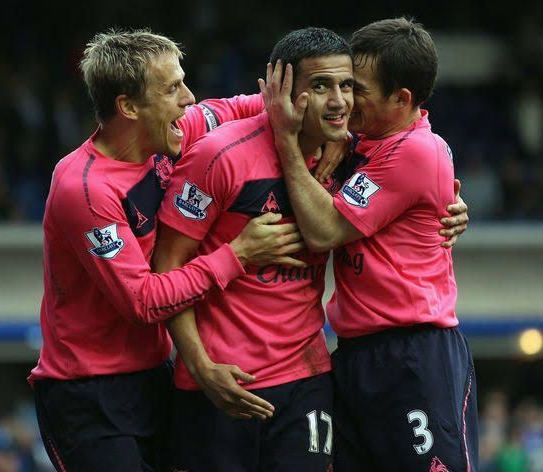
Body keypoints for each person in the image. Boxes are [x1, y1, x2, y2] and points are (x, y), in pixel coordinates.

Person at [28, 29, 305, 472]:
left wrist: (327, 119)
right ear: (129, 107)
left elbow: (247, 107)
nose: (189, 99)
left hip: (154, 375)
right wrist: (239, 254)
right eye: (173, 88)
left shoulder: (174, 133)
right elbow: (142, 301)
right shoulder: (84, 189)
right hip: (87, 394)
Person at [263, 17, 479, 471]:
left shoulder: (416, 151)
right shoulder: (366, 139)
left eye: (357, 88)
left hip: (415, 356)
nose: (344, 99)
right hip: (358, 353)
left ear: (401, 99)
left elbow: (324, 231)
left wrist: (286, 143)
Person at [156, 27, 354, 471]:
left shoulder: (350, 152)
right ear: (282, 89)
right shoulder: (220, 155)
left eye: (346, 86)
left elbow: (416, 147)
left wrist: (451, 203)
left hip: (305, 380)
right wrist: (202, 368)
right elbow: (167, 268)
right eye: (320, 86)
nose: (339, 100)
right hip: (220, 386)